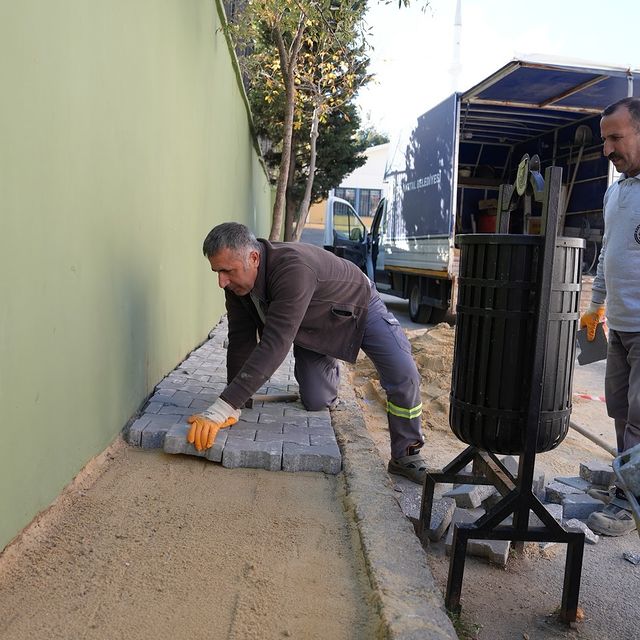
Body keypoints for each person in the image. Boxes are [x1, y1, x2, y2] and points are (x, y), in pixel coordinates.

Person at [186, 222, 428, 483]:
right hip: (310, 324)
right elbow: (241, 340)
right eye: (217, 272)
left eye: (227, 271)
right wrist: (235, 403)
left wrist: (222, 407)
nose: (221, 281)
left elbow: (274, 345)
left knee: (404, 373)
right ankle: (329, 357)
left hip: (356, 304)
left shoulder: (293, 269)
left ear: (253, 258)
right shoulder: (237, 286)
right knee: (316, 400)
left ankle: (407, 454)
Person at [580, 97, 640, 536]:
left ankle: (630, 505)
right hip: (618, 324)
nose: (607, 150)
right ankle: (627, 484)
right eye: (605, 140)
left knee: (639, 416)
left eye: (616, 138)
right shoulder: (615, 192)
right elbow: (607, 255)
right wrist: (596, 304)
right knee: (619, 410)